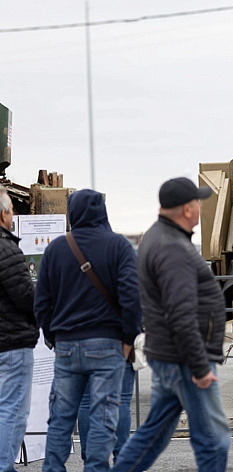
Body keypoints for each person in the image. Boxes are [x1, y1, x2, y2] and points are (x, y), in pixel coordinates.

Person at [112, 177, 230, 472]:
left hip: (169, 355)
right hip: (184, 360)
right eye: (199, 204)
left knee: (153, 434)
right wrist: (200, 368)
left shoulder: (155, 236)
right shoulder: (173, 247)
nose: (201, 209)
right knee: (214, 439)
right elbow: (180, 314)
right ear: (188, 209)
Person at [34, 189, 142, 472]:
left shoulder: (56, 248)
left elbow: (41, 302)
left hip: (67, 345)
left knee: (61, 417)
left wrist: (53, 336)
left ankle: (53, 468)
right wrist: (128, 341)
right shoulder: (118, 246)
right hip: (108, 345)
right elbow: (132, 299)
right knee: (104, 416)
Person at [0, 185, 37, 472]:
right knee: (13, 410)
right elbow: (26, 296)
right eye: (12, 210)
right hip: (11, 343)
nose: (13, 216)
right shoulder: (6, 247)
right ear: (3, 215)